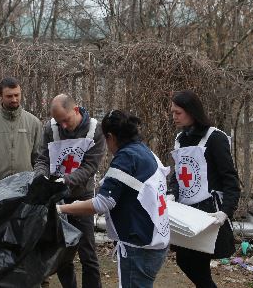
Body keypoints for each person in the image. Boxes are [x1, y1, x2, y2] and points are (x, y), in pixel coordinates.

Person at [56, 110, 170, 288]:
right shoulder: (144, 151)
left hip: (139, 245)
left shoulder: (126, 158)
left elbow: (103, 202)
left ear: (110, 136)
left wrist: (62, 209)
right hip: (155, 240)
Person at [168, 90, 241, 288]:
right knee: (186, 261)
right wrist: (172, 194)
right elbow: (179, 173)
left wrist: (225, 211)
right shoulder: (180, 138)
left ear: (192, 112)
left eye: (178, 112)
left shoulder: (215, 138)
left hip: (209, 212)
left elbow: (230, 179)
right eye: (173, 112)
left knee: (197, 263)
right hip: (187, 211)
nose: (173, 117)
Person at [34, 94, 105, 288]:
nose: (63, 126)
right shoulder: (51, 128)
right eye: (59, 122)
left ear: (76, 110)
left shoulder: (95, 130)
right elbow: (43, 159)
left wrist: (64, 181)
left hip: (82, 197)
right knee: (62, 253)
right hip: (56, 197)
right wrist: (40, 176)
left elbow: (90, 167)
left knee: (88, 254)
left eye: (66, 120)